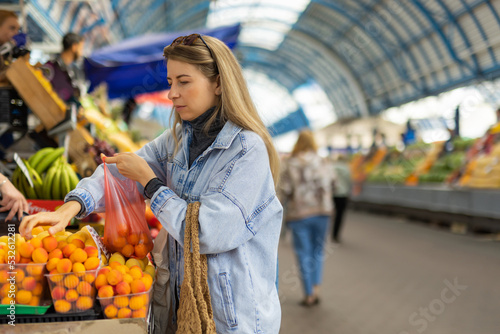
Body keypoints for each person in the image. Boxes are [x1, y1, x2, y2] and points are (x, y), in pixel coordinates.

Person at [20, 33, 283, 333]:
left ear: (219, 83)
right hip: (183, 313)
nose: (172, 94)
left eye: (184, 81)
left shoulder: (247, 150)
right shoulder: (177, 140)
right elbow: (119, 170)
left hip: (233, 320)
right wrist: (70, 208)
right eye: (170, 82)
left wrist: (152, 185)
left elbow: (207, 233)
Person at [279, 130, 334, 307]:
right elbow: (334, 182)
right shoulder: (323, 161)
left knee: (304, 253)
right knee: (318, 251)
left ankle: (309, 294)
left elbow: (284, 189)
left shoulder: (290, 163)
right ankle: (316, 288)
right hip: (322, 212)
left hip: (299, 214)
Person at [42, 32, 85, 103]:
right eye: (81, 48)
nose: (81, 53)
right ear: (74, 47)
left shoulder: (69, 73)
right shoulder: (52, 66)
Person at [331, 155, 351, 243]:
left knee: (329, 213)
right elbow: (348, 182)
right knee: (339, 215)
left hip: (332, 194)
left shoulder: (332, 168)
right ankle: (335, 234)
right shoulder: (346, 169)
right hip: (342, 194)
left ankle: (327, 232)